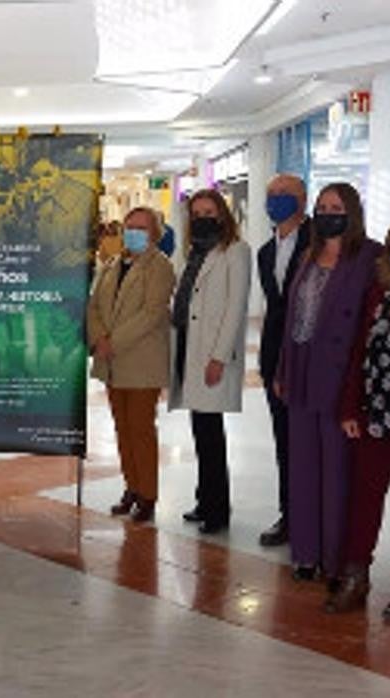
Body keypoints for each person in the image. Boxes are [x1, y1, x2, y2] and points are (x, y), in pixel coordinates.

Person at [276, 182, 380, 582]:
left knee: (337, 469)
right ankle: (306, 551)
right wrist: (284, 370)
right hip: (301, 368)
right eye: (321, 207)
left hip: (340, 374)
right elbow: (291, 320)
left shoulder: (370, 257)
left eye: (336, 206)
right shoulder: (308, 255)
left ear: (351, 212)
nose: (327, 212)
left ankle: (335, 560)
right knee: (302, 464)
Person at [328, 214, 390, 616]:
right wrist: (351, 406)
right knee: (364, 496)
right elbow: (358, 355)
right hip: (376, 412)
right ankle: (355, 575)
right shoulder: (379, 293)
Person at [87, 207, 176, 523]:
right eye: (129, 226)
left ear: (154, 233)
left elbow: (152, 314)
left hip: (140, 361)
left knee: (140, 430)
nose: (133, 232)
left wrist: (113, 342)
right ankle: (131, 487)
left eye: (141, 227)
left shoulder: (160, 267)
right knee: (122, 429)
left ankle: (148, 495)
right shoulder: (112, 264)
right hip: (112, 362)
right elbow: (94, 305)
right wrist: (99, 337)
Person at [170, 189, 251, 535]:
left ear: (222, 214)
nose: (203, 217)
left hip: (210, 353)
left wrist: (219, 357)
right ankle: (205, 500)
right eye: (197, 212)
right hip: (189, 346)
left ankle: (218, 510)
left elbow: (236, 307)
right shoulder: (193, 252)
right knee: (201, 430)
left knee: (211, 434)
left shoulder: (236, 250)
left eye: (209, 211)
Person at [256, 174, 313, 548]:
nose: (277, 201)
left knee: (308, 443)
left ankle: (312, 516)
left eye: (285, 195)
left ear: (302, 200)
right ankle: (289, 515)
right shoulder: (265, 251)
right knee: (283, 440)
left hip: (309, 359)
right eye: (271, 195)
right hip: (274, 356)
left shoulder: (320, 244)